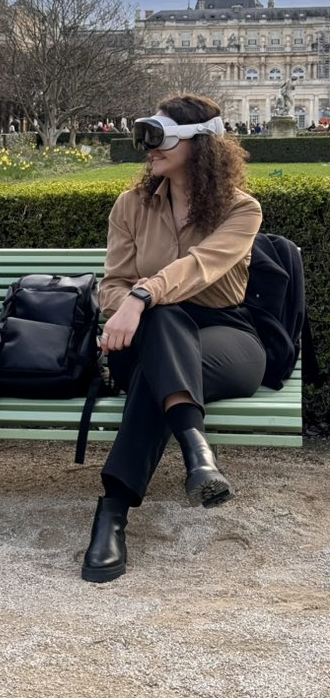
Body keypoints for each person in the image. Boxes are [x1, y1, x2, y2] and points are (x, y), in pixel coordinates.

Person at [81, 94, 266, 584]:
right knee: (163, 325)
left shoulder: (241, 209)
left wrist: (143, 295)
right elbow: (112, 283)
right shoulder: (131, 204)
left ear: (199, 143)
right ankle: (196, 452)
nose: (149, 149)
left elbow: (200, 267)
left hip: (226, 338)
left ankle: (112, 513)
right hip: (142, 337)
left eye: (159, 138)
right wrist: (132, 304)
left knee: (158, 348)